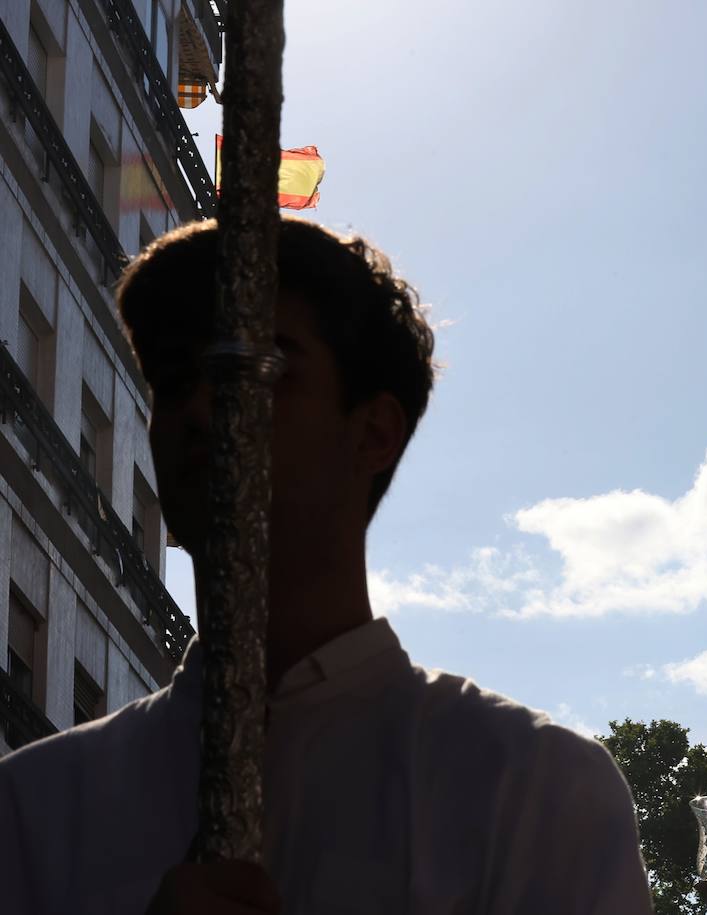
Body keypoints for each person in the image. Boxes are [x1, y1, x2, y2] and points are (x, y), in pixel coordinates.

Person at [0, 217, 653, 914]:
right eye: (173, 377)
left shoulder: (532, 789)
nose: (198, 407)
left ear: (373, 430)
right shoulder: (31, 808)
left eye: (261, 366)